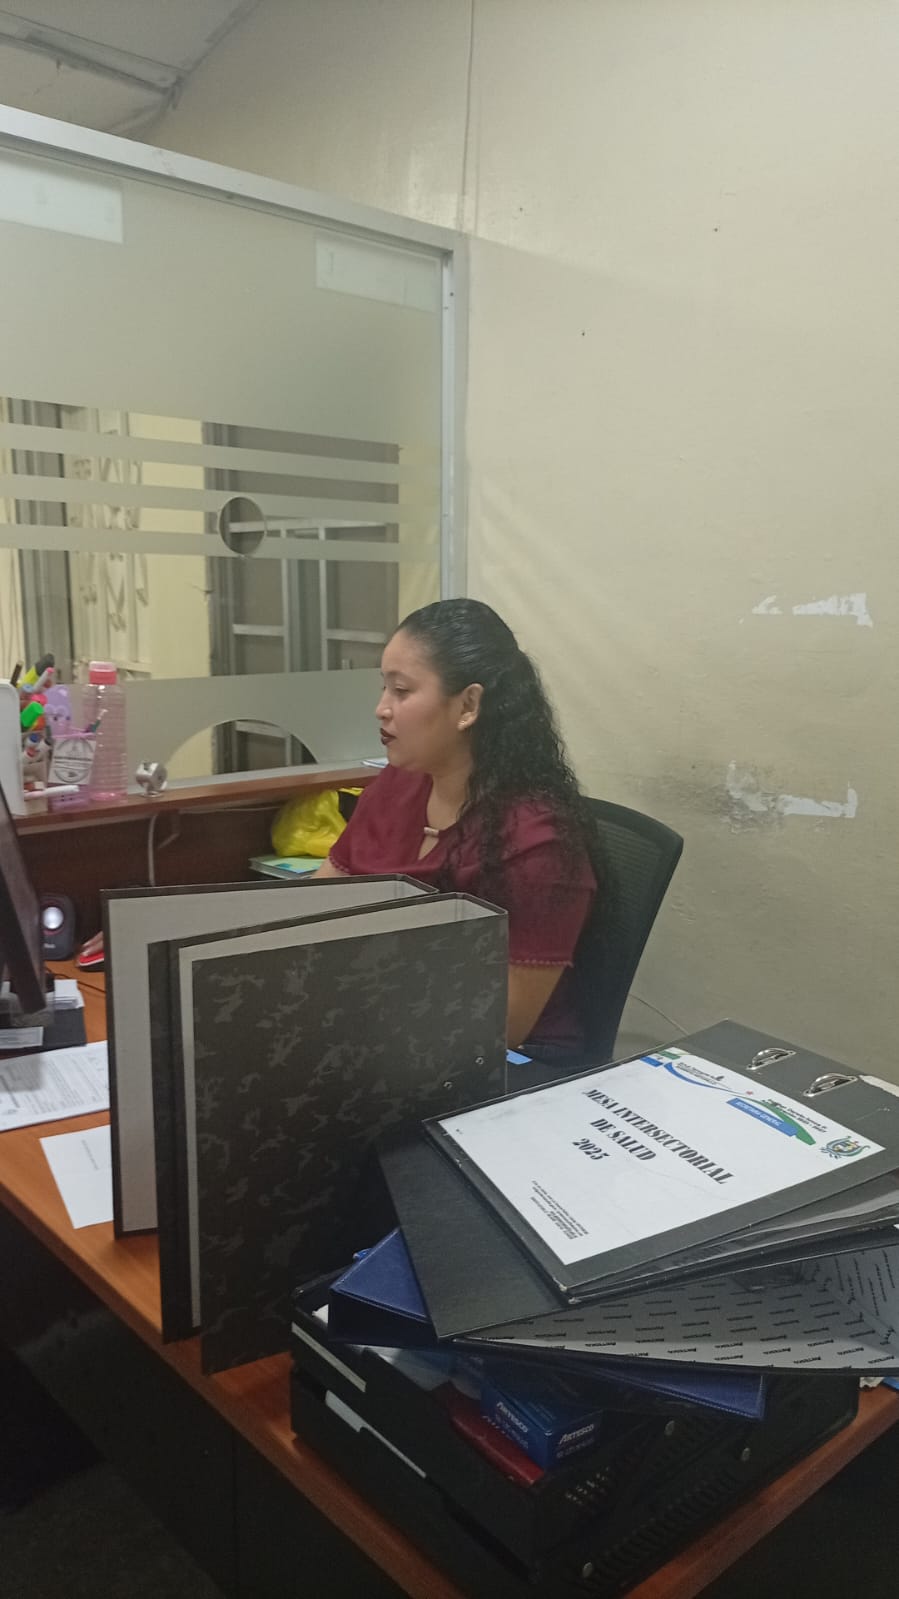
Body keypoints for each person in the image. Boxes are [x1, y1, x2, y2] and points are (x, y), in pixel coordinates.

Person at [315, 598, 598, 1059]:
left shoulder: (537, 840)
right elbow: (316, 906)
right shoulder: (397, 785)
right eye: (384, 688)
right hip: (377, 1023)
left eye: (401, 691)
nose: (381, 709)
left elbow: (503, 1025)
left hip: (500, 1059)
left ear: (467, 705)